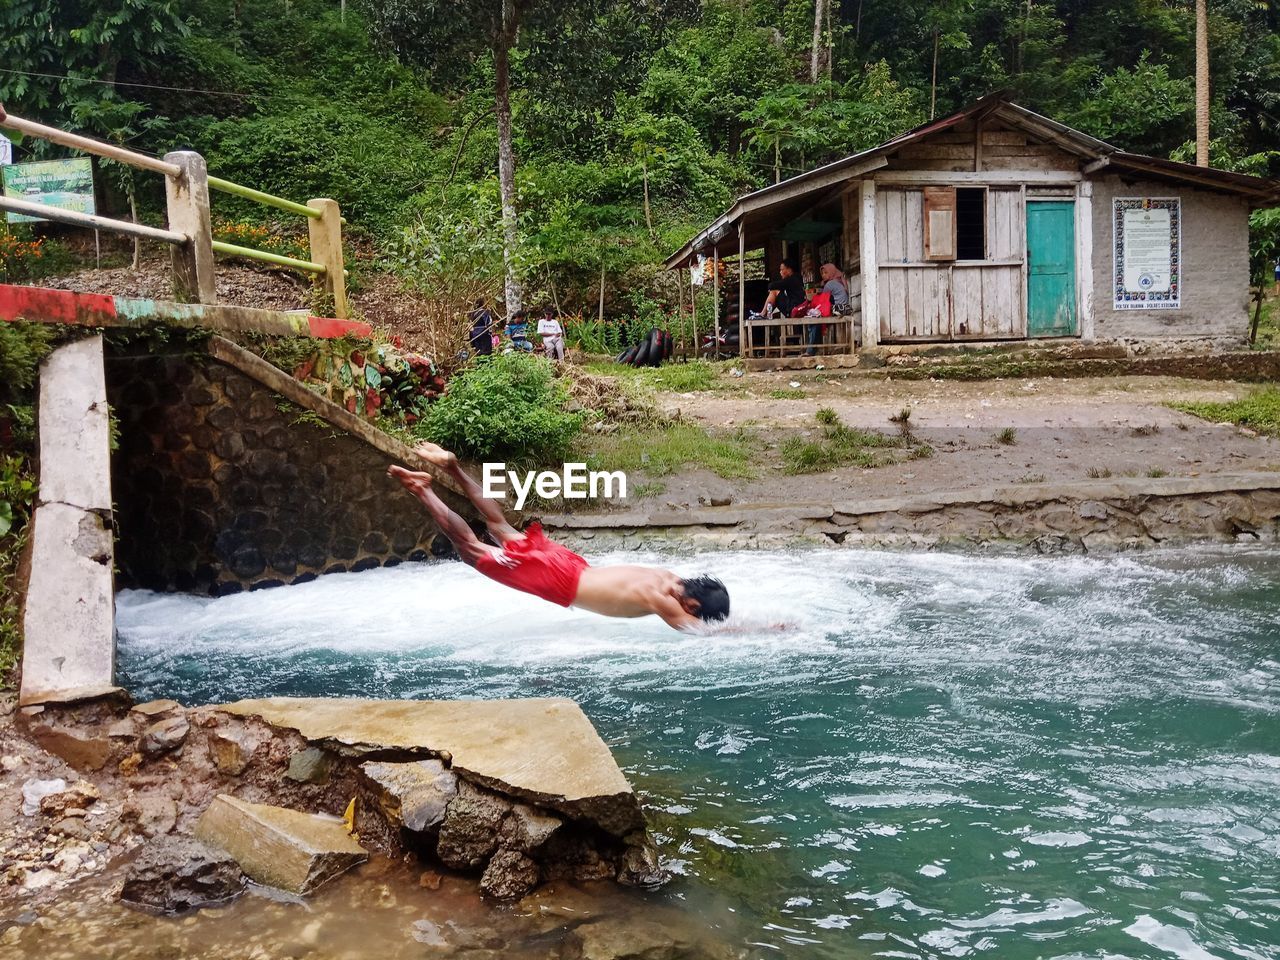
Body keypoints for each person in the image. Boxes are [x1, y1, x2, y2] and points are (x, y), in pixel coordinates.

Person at [387, 443, 730, 630]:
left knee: (499, 526)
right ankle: (422, 489)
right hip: (562, 580)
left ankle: (453, 467)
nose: (691, 615)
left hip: (573, 565)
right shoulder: (662, 598)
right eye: (696, 611)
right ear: (693, 604)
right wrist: (760, 629)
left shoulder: (667, 577)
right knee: (472, 550)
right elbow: (696, 630)